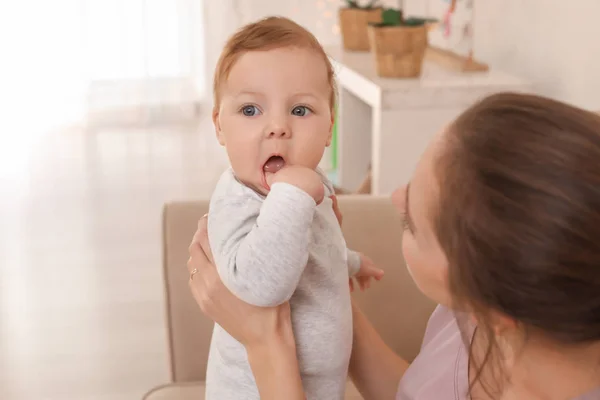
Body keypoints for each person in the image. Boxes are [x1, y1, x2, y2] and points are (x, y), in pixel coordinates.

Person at [188, 91, 600, 399]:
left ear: (496, 311)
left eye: (410, 224)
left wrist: (267, 344)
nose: (396, 197)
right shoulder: (476, 317)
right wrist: (320, 272)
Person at [201, 16, 384, 400]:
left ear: (329, 128)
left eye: (300, 111)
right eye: (251, 110)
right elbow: (260, 285)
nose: (278, 127)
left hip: (316, 383)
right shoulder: (237, 201)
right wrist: (293, 197)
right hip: (256, 388)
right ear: (219, 126)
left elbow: (314, 247)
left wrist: (349, 262)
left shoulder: (306, 183)